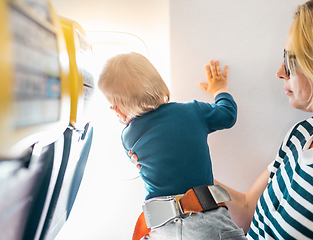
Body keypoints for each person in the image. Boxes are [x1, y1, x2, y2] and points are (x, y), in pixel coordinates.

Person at [98, 52, 246, 239]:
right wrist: (220, 89)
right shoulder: (193, 111)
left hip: (162, 228)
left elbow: (139, 161)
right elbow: (228, 115)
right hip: (207, 221)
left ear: (117, 109)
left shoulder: (128, 136)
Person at [212, 0, 313, 239]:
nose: (280, 71)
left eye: (292, 60)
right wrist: (188, 173)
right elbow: (248, 210)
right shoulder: (300, 134)